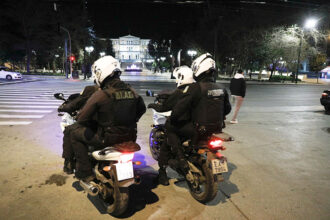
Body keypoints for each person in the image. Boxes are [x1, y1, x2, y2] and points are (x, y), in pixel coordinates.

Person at [70, 56, 146, 182]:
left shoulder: (102, 94)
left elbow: (82, 118)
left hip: (106, 139)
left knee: (73, 133)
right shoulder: (132, 91)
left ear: (101, 73)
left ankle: (84, 172)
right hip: (130, 137)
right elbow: (142, 109)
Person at [169, 53, 231, 179]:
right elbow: (227, 109)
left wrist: (174, 118)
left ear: (198, 69)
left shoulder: (195, 88)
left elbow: (180, 109)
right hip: (217, 130)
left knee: (170, 127)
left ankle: (181, 160)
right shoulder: (222, 88)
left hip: (198, 130)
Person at [148, 66, 195, 185]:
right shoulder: (197, 89)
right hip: (196, 127)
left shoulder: (180, 92)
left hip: (182, 127)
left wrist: (152, 106)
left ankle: (164, 174)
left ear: (181, 77)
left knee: (166, 142)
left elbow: (164, 107)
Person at [58, 83, 99, 174]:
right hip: (124, 133)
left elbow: (82, 115)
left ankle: (80, 168)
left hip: (101, 133)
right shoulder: (116, 91)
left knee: (71, 131)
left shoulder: (92, 91)